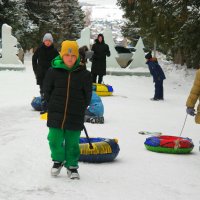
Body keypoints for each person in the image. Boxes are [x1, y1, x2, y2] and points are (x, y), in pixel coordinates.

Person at [43, 40, 92, 179]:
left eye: (73, 56)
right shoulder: (53, 71)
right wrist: (49, 102)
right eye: (66, 55)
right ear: (62, 55)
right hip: (56, 112)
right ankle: (58, 160)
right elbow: (47, 89)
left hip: (75, 114)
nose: (69, 58)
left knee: (72, 142)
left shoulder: (84, 74)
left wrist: (82, 106)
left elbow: (87, 93)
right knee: (53, 139)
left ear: (77, 57)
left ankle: (72, 165)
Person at [32, 33, 59, 113]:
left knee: (50, 90)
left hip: (51, 74)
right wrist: (36, 70)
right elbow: (34, 59)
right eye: (46, 40)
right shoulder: (39, 49)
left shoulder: (54, 50)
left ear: (51, 42)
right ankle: (44, 107)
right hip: (41, 74)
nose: (48, 42)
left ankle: (50, 107)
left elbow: (58, 60)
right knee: (43, 90)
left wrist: (56, 70)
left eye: (49, 41)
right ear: (44, 41)